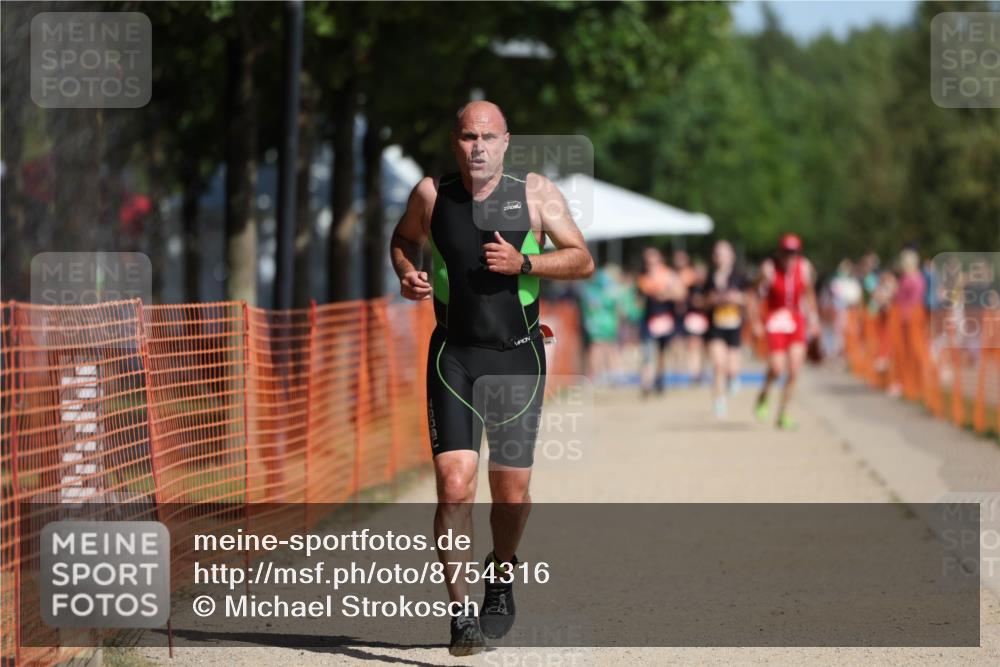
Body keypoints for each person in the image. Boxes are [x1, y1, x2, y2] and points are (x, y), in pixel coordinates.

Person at [389, 101, 594, 656]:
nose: (477, 147)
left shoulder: (536, 194)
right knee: (455, 484)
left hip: (517, 358)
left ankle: (501, 571)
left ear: (506, 142)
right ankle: (461, 616)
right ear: (454, 142)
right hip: (453, 357)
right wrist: (407, 273)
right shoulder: (432, 195)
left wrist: (525, 263)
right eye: (467, 136)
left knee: (512, 493)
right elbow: (403, 240)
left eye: (487, 137)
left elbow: (582, 260)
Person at [751, 233, 820, 429]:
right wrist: (755, 321)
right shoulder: (769, 269)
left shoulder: (804, 268)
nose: (790, 257)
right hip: (776, 319)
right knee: (776, 367)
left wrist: (814, 320)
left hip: (796, 319)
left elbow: (809, 294)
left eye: (794, 253)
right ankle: (764, 394)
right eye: (787, 253)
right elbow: (753, 294)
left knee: (795, 369)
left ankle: (783, 412)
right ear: (780, 253)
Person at [704, 240, 747, 419]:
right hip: (716, 327)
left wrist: (737, 298)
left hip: (734, 326)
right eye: (718, 254)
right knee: (718, 364)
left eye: (725, 253)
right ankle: (719, 400)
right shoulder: (710, 278)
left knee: (732, 368)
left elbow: (749, 298)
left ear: (732, 256)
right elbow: (702, 301)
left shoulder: (740, 276)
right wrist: (714, 300)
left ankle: (733, 379)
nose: (721, 257)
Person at [637, 247, 686, 396]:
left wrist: (666, 294)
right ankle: (646, 383)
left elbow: (681, 294)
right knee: (647, 352)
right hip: (648, 319)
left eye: (653, 262)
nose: (650, 265)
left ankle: (660, 378)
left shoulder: (669, 275)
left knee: (661, 353)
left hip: (665, 318)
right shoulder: (642, 278)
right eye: (647, 262)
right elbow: (637, 300)